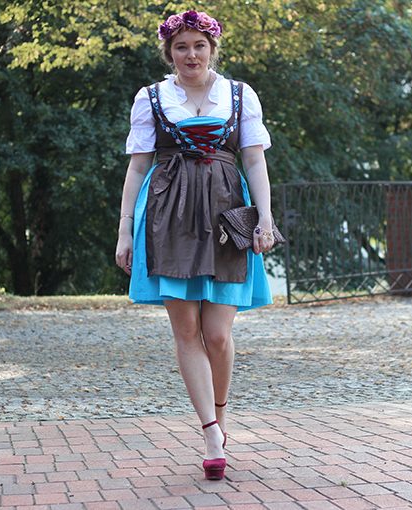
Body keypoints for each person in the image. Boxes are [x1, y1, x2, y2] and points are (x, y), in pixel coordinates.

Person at [115, 10, 276, 480]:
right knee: (186, 330)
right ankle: (210, 434)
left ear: (212, 49)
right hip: (168, 212)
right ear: (169, 53)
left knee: (219, 334)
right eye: (181, 47)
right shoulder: (150, 99)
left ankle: (220, 418)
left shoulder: (240, 96)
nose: (191, 55)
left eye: (199, 46)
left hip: (227, 209)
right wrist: (125, 228)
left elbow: (254, 160)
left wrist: (265, 217)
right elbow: (138, 167)